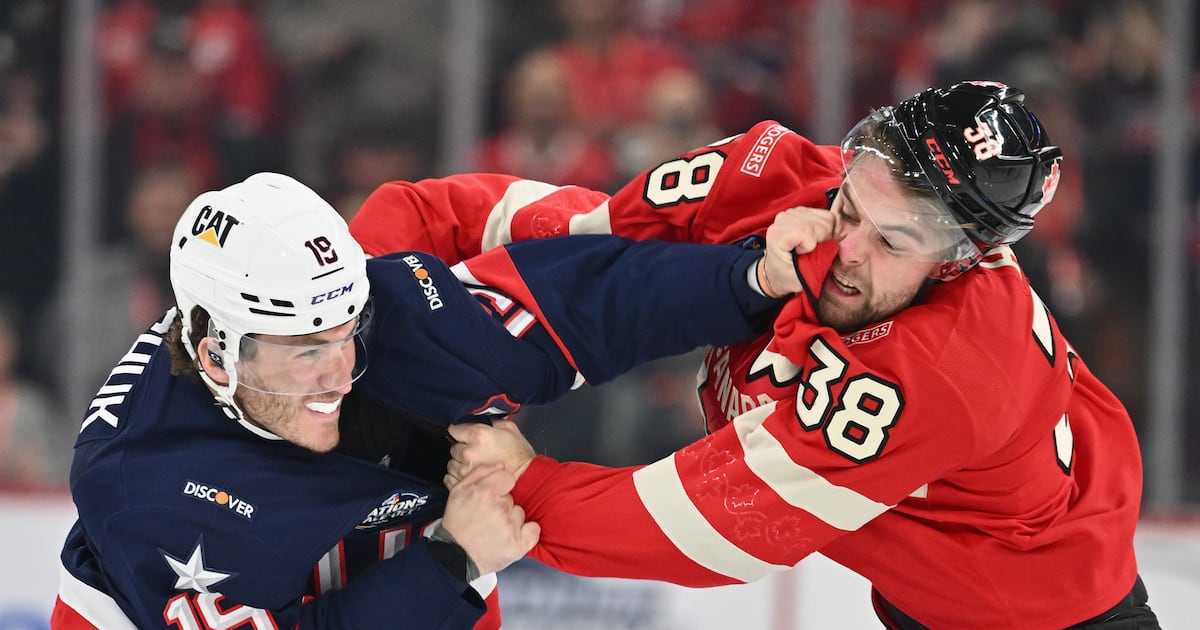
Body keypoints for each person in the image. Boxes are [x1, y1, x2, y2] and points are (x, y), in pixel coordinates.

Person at [352, 82, 1161, 628]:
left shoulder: (943, 370)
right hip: (927, 584)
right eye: (850, 202)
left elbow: (715, 529)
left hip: (1045, 610)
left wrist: (523, 489)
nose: (846, 249)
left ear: (959, 259)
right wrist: (370, 258)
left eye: (894, 240)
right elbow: (588, 237)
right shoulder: (768, 172)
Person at [53, 171, 806, 629]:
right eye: (306, 352)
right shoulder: (147, 492)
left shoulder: (382, 319)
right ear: (217, 354)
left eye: (346, 334)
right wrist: (454, 561)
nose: (338, 372)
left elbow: (588, 303)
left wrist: (754, 280)